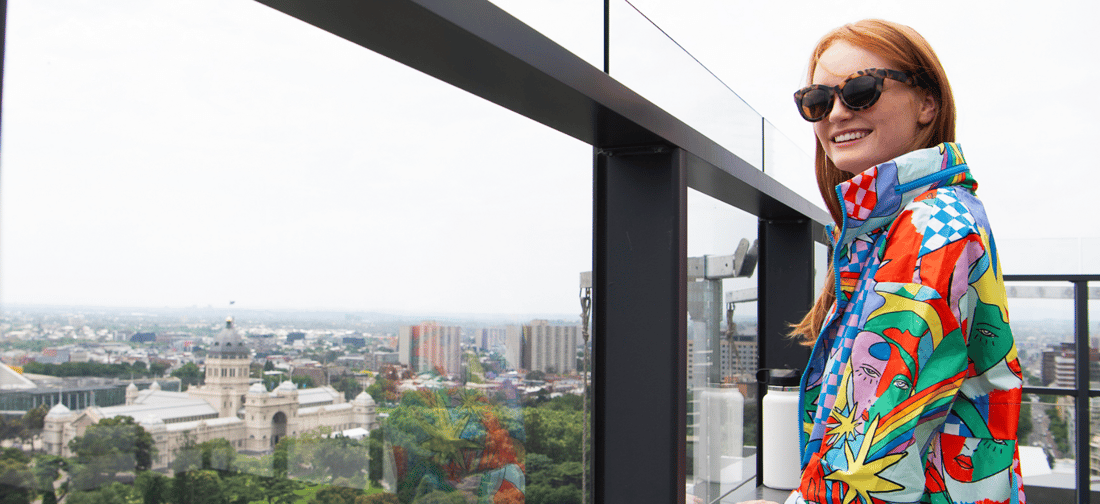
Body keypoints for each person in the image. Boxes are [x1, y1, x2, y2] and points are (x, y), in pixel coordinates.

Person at [740, 19, 1024, 504]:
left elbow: (867, 462)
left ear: (927, 103)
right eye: (817, 100)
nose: (835, 114)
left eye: (861, 90)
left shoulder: (931, 228)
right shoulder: (892, 227)